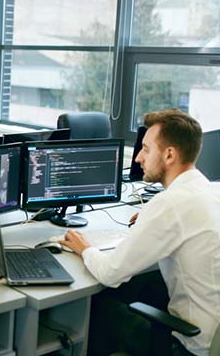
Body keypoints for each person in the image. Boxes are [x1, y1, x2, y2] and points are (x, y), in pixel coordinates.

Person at [59, 108, 220, 355]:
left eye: (146, 149)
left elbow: (111, 274)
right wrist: (151, 217)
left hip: (193, 347)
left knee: (98, 306)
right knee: (146, 288)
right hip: (214, 334)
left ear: (169, 155)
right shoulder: (209, 191)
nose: (138, 158)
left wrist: (85, 248)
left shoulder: (169, 205)